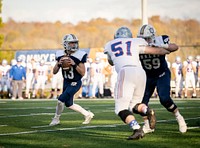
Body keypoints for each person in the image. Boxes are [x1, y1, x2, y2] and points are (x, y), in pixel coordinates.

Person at [104, 26, 170, 140]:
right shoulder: (137, 41)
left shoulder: (110, 44)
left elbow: (111, 62)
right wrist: (166, 50)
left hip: (125, 71)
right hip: (141, 72)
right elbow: (157, 51)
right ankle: (147, 111)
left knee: (120, 109)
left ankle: (137, 129)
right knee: (134, 105)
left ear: (116, 37)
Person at [137, 24, 187, 134]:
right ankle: (147, 125)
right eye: (142, 38)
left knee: (164, 99)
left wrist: (164, 45)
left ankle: (179, 117)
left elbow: (175, 47)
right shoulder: (137, 45)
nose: (145, 40)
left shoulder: (160, 40)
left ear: (153, 36)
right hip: (147, 77)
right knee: (140, 103)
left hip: (162, 74)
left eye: (147, 38)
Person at [49, 34, 94, 126]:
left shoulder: (80, 55)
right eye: (71, 43)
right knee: (69, 104)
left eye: (75, 43)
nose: (74, 45)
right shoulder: (60, 54)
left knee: (60, 100)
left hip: (75, 82)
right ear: (65, 44)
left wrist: (74, 64)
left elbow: (82, 73)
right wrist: (58, 64)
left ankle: (56, 119)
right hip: (66, 81)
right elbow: (54, 72)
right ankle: (87, 114)